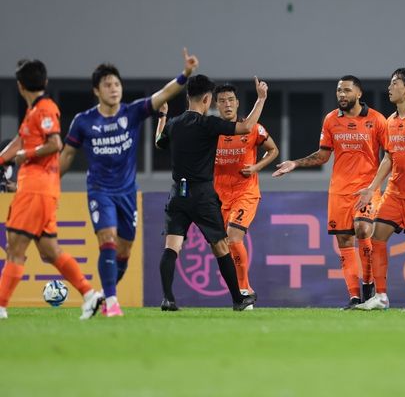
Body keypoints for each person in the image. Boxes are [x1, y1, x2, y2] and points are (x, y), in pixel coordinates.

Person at [59, 49, 198, 317]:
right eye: (107, 85)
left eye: (117, 84)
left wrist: (185, 75)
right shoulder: (83, 121)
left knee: (124, 249)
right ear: (96, 91)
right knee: (107, 238)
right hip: (100, 191)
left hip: (127, 192)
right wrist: (50, 182)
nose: (114, 89)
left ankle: (104, 294)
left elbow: (162, 95)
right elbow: (66, 156)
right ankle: (112, 302)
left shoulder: (132, 113)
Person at [0, 59, 103, 320]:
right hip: (41, 189)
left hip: (36, 188)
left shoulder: (45, 108)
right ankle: (89, 295)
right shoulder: (33, 112)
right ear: (44, 82)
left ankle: (0, 305)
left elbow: (55, 144)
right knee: (49, 251)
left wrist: (27, 153)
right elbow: (20, 141)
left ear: (20, 85)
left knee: (15, 248)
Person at [155, 74, 267, 311]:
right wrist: (261, 99)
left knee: (171, 247)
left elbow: (158, 142)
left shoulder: (174, 123)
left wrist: (163, 116)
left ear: (188, 97)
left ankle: (167, 298)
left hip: (178, 193)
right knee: (221, 246)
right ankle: (238, 299)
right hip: (203, 194)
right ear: (207, 99)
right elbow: (247, 127)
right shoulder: (209, 124)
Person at [273, 75, 386, 309]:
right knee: (345, 241)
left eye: (346, 90)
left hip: (366, 189)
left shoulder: (377, 119)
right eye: (338, 91)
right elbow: (323, 155)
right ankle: (355, 297)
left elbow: (391, 156)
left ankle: (369, 286)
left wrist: (377, 185)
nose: (341, 95)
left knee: (363, 228)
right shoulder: (331, 120)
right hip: (339, 191)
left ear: (358, 94)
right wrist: (295, 163)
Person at [355, 67, 405, 312]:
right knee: (377, 238)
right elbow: (389, 158)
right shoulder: (390, 121)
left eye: (394, 83)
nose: (389, 88)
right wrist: (372, 188)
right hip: (394, 191)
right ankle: (381, 296)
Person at [213, 83, 279, 301]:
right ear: (216, 105)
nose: (227, 104)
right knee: (224, 245)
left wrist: (257, 167)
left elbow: (273, 150)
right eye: (222, 101)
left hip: (246, 192)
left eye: (231, 99)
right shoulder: (211, 132)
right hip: (219, 197)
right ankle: (243, 291)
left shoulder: (252, 128)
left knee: (233, 236)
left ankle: (244, 289)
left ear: (237, 103)